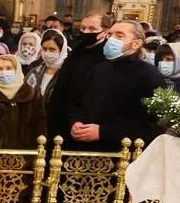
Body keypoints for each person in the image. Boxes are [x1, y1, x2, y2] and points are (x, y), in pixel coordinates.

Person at [71, 20, 166, 151]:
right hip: (86, 149)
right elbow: (77, 103)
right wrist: (76, 122)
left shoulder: (149, 75)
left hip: (122, 152)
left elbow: (154, 125)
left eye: (119, 36)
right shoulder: (98, 69)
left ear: (136, 44)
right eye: (110, 35)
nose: (111, 39)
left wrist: (103, 131)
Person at [46, 11, 112, 144]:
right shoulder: (75, 52)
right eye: (83, 28)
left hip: (87, 125)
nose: (86, 32)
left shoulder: (108, 57)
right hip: (62, 119)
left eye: (92, 29)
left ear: (105, 32)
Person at [0, 54, 46, 149]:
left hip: (25, 157)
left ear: (16, 69)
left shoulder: (33, 95)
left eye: (9, 68)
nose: (4, 72)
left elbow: (39, 129)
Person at [25, 29, 68, 102]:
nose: (47, 53)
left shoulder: (68, 74)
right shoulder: (34, 71)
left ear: (61, 51)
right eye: (44, 49)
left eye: (52, 49)